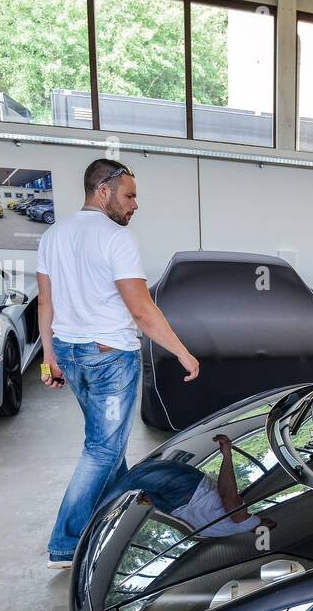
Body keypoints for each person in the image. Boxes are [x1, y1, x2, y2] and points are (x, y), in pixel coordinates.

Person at [38, 158, 201, 568]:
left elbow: (46, 302)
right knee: (101, 450)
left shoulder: (53, 235)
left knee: (108, 448)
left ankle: (119, 521)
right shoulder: (115, 239)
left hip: (72, 355)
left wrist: (49, 357)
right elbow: (142, 310)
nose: (135, 205)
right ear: (103, 191)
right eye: (129, 196)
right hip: (110, 359)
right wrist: (182, 352)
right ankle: (66, 542)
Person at [96, 434, 273, 537]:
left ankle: (89, 519)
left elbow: (228, 496)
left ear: (263, 527)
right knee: (132, 477)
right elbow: (192, 522)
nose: (265, 518)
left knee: (134, 477)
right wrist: (154, 501)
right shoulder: (221, 532)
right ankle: (109, 457)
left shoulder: (247, 522)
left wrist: (227, 455)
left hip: (189, 489)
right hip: (174, 507)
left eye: (269, 521)